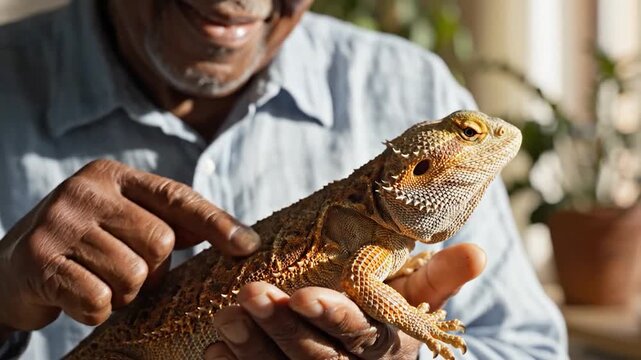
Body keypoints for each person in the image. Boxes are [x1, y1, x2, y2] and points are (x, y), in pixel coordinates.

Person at [0, 0, 567, 359]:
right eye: (471, 133)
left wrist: (408, 354)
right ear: (416, 168)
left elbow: (531, 347)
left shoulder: (415, 85)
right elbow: (367, 286)